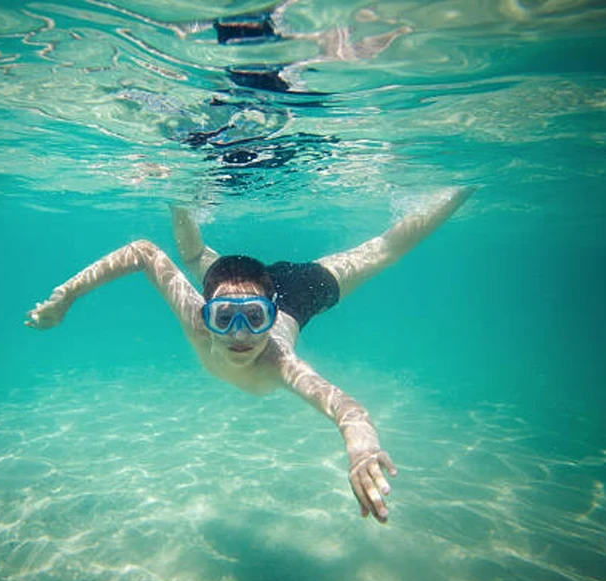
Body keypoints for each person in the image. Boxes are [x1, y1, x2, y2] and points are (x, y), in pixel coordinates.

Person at [25, 187, 474, 523]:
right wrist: (66, 296)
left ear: (271, 315)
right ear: (206, 311)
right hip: (239, 282)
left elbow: (345, 408)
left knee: (383, 251)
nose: (240, 335)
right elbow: (143, 252)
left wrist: (362, 449)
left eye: (254, 319)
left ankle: (463, 186)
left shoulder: (276, 358)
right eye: (224, 318)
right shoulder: (199, 316)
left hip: (302, 289)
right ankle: (177, 191)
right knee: (195, 253)